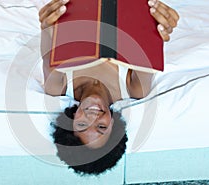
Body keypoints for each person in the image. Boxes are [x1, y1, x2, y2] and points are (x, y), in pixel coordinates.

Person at [39, 0, 179, 175]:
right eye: (101, 127)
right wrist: (160, 22)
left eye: (82, 125)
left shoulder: (57, 87)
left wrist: (47, 23)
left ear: (72, 120)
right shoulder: (135, 89)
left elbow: (48, 40)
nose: (93, 117)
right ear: (113, 126)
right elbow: (149, 43)